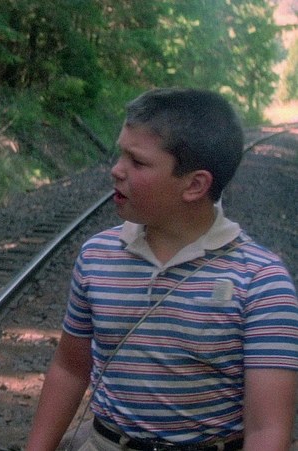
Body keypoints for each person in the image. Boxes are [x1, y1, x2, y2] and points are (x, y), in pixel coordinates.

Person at [26, 88, 298, 451]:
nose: (116, 170)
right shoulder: (96, 256)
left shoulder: (262, 283)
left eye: (137, 163)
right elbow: (70, 368)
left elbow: (267, 430)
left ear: (195, 185)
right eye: (121, 154)